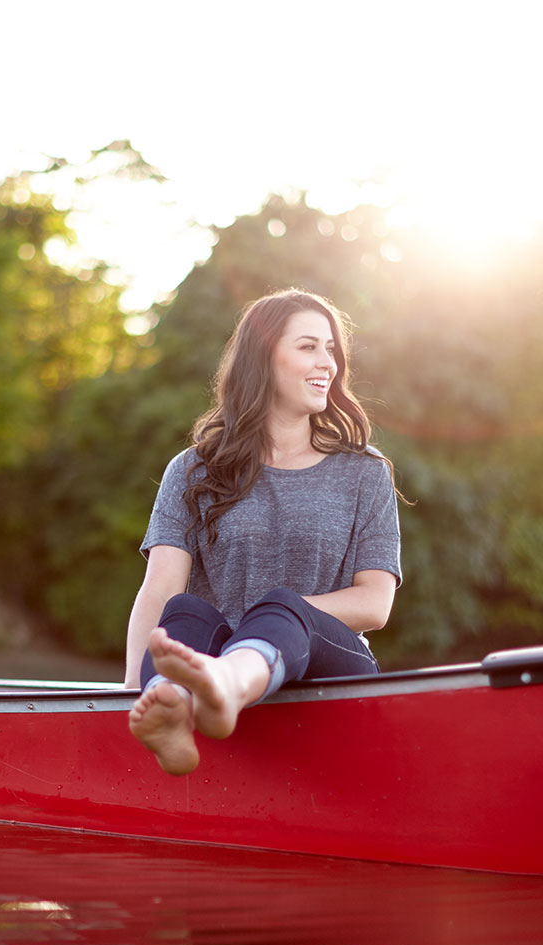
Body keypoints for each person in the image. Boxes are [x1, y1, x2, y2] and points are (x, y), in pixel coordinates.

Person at [126, 289, 401, 776]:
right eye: (308, 346)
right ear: (263, 357)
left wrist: (272, 614)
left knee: (284, 606)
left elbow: (374, 605)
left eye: (331, 348)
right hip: (213, 659)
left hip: (329, 665)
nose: (328, 362)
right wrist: (127, 693)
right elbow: (160, 588)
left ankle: (226, 686)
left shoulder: (365, 472)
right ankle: (165, 707)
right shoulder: (193, 470)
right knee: (183, 611)